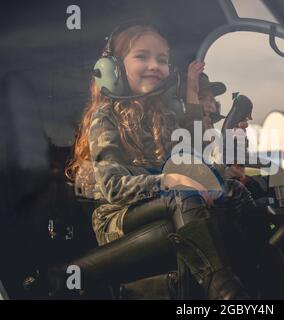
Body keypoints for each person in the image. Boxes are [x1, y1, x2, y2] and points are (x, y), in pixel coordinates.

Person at [64, 23, 252, 300]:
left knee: (235, 192)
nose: (154, 65)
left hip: (163, 202)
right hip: (117, 217)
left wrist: (218, 177)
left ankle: (276, 277)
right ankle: (226, 295)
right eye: (142, 56)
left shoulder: (162, 117)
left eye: (161, 60)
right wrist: (168, 180)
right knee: (181, 192)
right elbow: (114, 187)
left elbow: (193, 155)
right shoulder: (104, 117)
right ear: (113, 68)